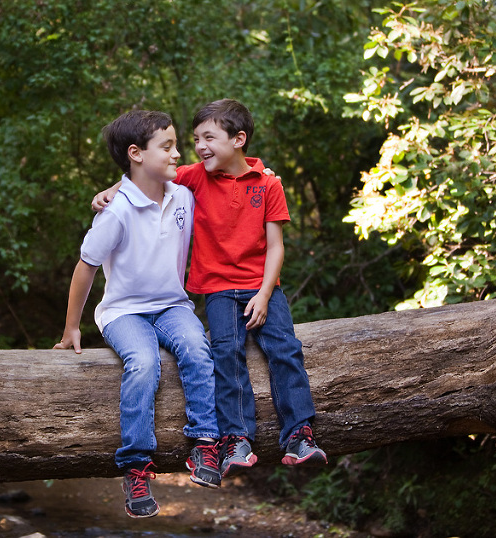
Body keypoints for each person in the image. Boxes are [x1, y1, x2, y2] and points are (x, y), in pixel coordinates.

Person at [92, 99, 327, 479]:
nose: (199, 146)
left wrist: (265, 294)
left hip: (263, 288)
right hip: (218, 290)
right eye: (196, 138)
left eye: (208, 138)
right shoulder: (196, 176)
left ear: (238, 140)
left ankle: (300, 435)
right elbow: (145, 173)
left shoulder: (268, 184)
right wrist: (110, 190)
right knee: (226, 356)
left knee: (286, 351)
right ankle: (236, 439)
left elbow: (277, 245)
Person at [54, 110, 221, 519]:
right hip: (123, 312)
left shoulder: (182, 192)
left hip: (171, 305)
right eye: (167, 147)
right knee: (144, 362)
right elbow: (86, 267)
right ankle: (136, 465)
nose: (178, 153)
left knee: (199, 349)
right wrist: (72, 326)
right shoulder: (115, 212)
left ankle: (204, 444)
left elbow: (224, 170)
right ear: (136, 153)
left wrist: (261, 172)